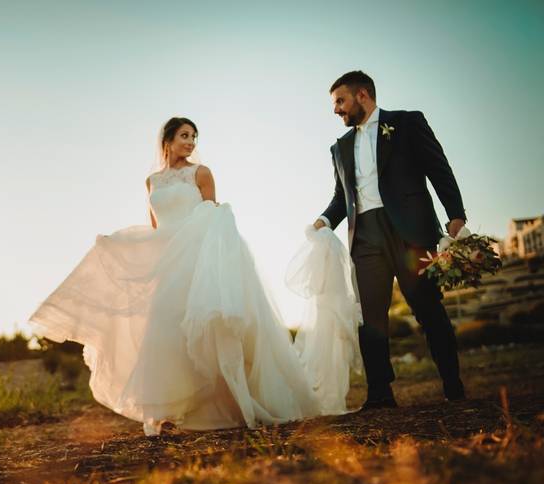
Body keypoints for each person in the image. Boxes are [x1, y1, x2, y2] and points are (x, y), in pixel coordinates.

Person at [29, 118, 360, 436]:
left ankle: (227, 406)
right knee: (165, 334)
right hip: (168, 264)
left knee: (207, 332)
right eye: (184, 136)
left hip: (198, 263)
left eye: (193, 137)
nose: (190, 143)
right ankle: (169, 412)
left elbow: (212, 221)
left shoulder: (201, 173)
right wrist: (124, 247)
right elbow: (158, 229)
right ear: (168, 141)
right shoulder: (152, 182)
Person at [313, 70, 466, 410]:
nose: (336, 109)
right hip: (365, 237)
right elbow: (342, 198)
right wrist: (323, 221)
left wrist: (455, 214)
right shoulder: (339, 148)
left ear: (362, 95)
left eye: (340, 101)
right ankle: (380, 393)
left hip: (410, 232)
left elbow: (439, 168)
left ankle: (453, 383)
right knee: (371, 318)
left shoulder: (408, 123)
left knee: (428, 308)